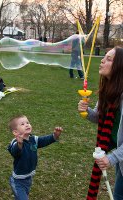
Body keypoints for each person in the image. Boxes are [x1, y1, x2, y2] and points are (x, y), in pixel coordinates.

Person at [78, 47, 123, 199]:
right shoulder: (108, 90)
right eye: (104, 57)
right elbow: (99, 117)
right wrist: (86, 111)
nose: (102, 61)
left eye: (109, 59)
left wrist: (111, 158)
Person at [7, 115, 63, 200]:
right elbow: (15, 152)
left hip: (28, 178)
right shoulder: (15, 143)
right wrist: (20, 143)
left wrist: (54, 136)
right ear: (15, 132)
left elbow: (44, 140)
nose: (26, 125)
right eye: (22, 124)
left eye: (27, 122)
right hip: (18, 181)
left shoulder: (33, 139)